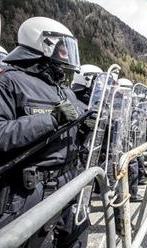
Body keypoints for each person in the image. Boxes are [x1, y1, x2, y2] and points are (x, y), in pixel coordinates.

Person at [0, 17, 89, 247]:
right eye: (62, 48)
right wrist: (50, 120)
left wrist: (85, 129)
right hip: (31, 192)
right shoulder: (10, 82)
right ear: (44, 44)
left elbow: (71, 135)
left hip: (70, 183)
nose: (67, 55)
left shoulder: (65, 91)